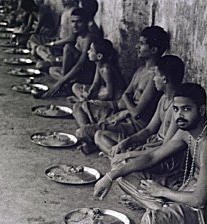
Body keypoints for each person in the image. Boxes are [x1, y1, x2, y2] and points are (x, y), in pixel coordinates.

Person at [93, 83, 207, 224]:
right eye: (176, 109)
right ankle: (162, 208)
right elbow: (153, 157)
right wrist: (109, 176)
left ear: (202, 110)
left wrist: (161, 191)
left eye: (186, 109)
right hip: (187, 191)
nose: (180, 115)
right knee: (123, 173)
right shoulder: (187, 132)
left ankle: (157, 207)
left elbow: (199, 200)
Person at [73, 26, 169, 154]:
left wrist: (125, 102)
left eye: (141, 44)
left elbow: (136, 113)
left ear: (153, 50)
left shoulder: (154, 77)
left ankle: (94, 140)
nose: (137, 47)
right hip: (122, 113)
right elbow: (124, 97)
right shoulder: (140, 70)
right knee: (78, 108)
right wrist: (125, 103)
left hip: (134, 125)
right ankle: (93, 141)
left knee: (83, 132)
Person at [96, 55, 184, 157]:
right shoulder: (164, 99)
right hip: (149, 145)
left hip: (158, 154)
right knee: (100, 135)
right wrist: (126, 142)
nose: (154, 79)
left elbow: (165, 149)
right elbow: (149, 130)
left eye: (156, 75)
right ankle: (119, 159)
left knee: (122, 162)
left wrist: (132, 154)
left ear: (164, 79)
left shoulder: (177, 108)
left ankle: (120, 160)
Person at [43, 7, 97, 97]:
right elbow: (70, 41)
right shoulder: (78, 35)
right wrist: (52, 44)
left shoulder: (89, 38)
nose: (75, 25)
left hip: (85, 75)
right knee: (52, 70)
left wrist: (60, 82)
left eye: (79, 22)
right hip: (75, 74)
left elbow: (80, 65)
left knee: (67, 48)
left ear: (86, 22)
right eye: (72, 22)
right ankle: (66, 83)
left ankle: (65, 84)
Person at [69, 38, 126, 103]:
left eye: (91, 50)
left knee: (95, 95)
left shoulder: (106, 70)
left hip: (115, 94)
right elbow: (96, 83)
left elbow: (110, 94)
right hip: (103, 90)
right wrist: (89, 94)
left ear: (99, 56)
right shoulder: (99, 64)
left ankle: (84, 101)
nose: (88, 51)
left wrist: (92, 98)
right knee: (75, 86)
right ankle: (84, 100)